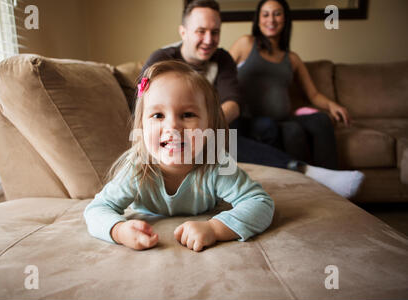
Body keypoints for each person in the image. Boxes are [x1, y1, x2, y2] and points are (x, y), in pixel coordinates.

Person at [139, 0, 364, 198]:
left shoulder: (223, 58)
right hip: (184, 134)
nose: (209, 40)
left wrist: (207, 126)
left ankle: (280, 182)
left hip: (220, 126)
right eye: (200, 31)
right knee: (223, 138)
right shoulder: (161, 59)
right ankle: (305, 170)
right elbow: (141, 107)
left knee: (264, 127)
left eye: (215, 32)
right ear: (183, 32)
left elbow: (233, 104)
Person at [84, 60, 275, 252]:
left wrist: (215, 228)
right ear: (142, 126)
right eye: (158, 115)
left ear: (209, 125)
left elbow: (260, 203)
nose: (172, 126)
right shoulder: (136, 168)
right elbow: (97, 209)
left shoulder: (216, 164)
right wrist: (119, 231)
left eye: (187, 114)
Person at [229, 0, 350, 169]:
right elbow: (222, 74)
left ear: (285, 19)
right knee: (291, 131)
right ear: (258, 20)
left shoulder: (292, 58)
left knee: (322, 120)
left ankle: (330, 178)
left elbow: (313, 95)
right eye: (265, 14)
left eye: (277, 14)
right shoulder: (246, 44)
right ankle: (306, 177)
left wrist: (332, 105)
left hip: (283, 119)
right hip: (254, 121)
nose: (271, 20)